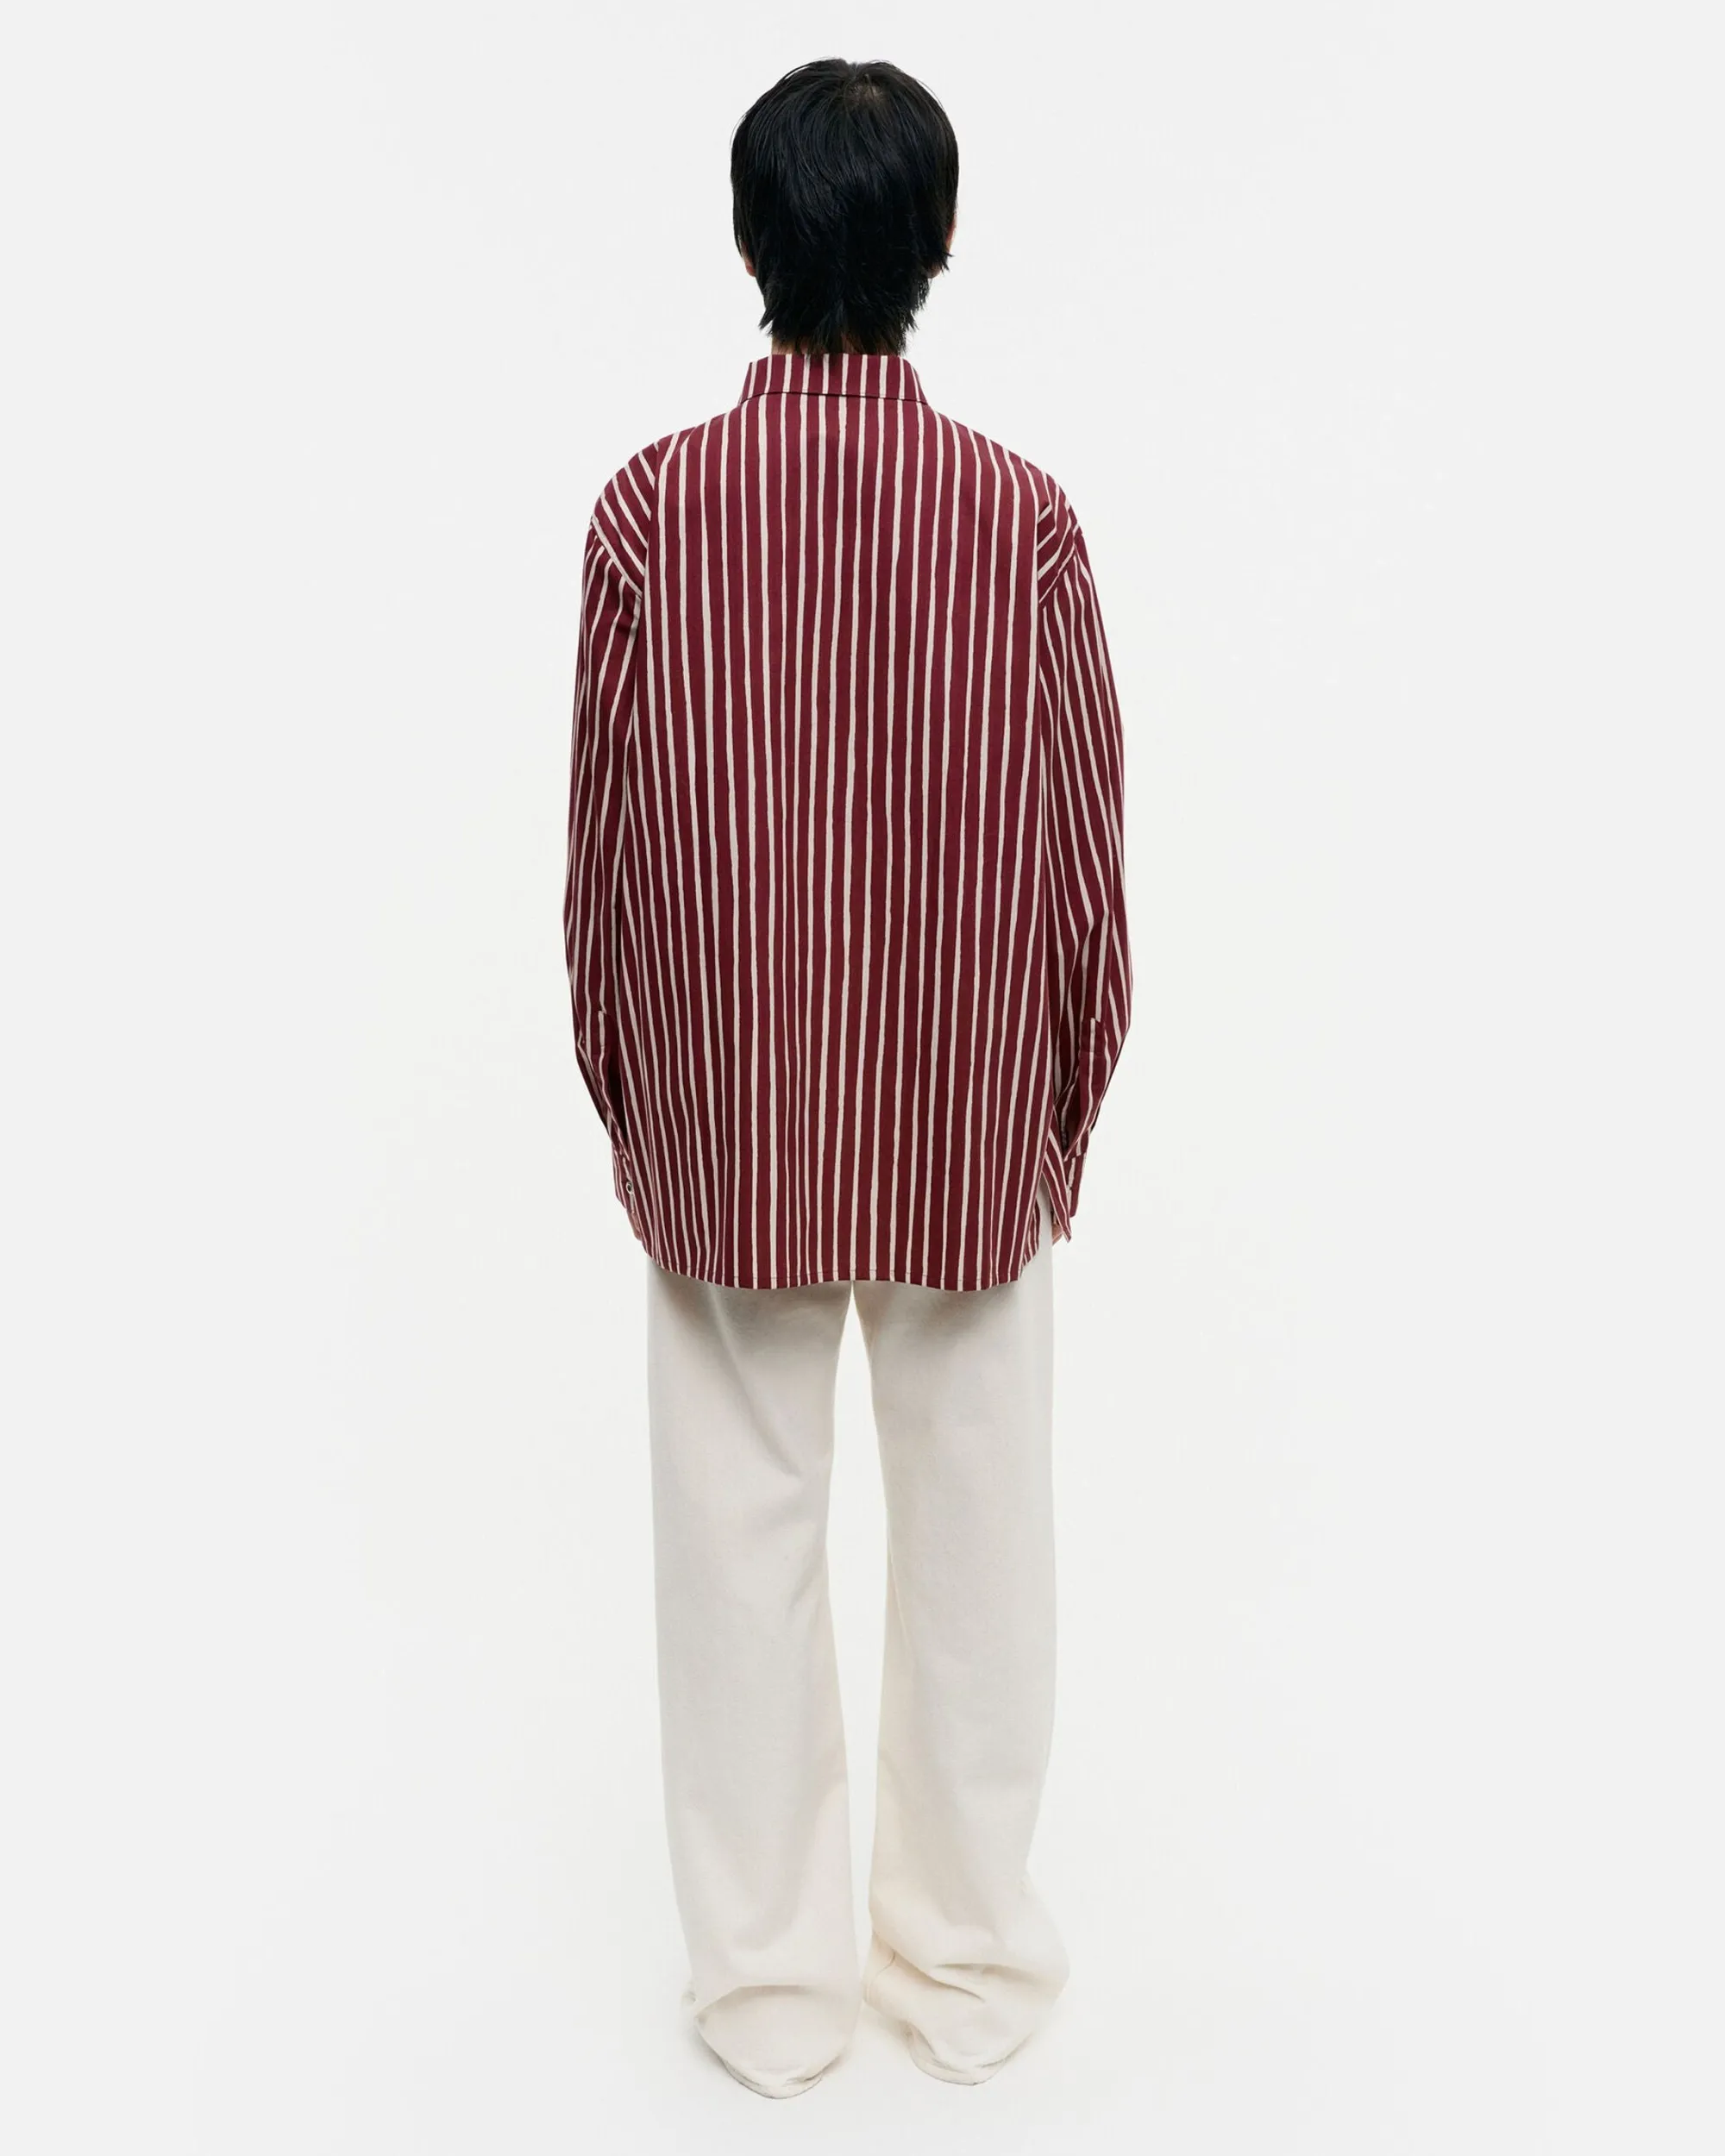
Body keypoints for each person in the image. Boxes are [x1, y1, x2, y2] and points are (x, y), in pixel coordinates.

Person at [562, 55, 1132, 2097]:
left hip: (729, 1112)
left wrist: (638, 1094)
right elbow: (1085, 847)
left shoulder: (650, 511)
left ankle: (768, 1989)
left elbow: (599, 852)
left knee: (737, 1540)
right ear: (938, 243)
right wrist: (1063, 1101)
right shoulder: (1022, 519)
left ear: (749, 238)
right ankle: (963, 1962)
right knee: (984, 1549)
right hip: (966, 1105)